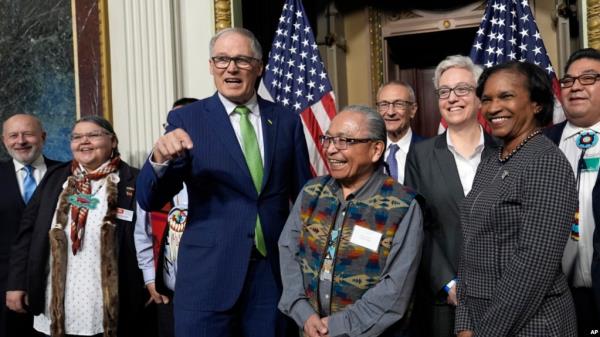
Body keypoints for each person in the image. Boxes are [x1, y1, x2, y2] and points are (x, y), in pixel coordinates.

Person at [136, 27, 312, 337]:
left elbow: (303, 198)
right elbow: (149, 199)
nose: (231, 68)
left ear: (259, 67)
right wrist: (159, 161)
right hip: (208, 276)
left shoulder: (286, 120)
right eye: (221, 59)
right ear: (211, 66)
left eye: (242, 60)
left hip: (271, 277)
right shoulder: (188, 119)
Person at [456, 61, 578, 337]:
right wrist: (464, 322)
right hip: (479, 318)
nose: (492, 107)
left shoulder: (547, 162)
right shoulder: (491, 159)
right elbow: (470, 244)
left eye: (505, 96)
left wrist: (486, 332)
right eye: (486, 99)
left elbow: (534, 264)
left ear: (536, 104)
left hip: (532, 323)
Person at [279, 105, 423, 337]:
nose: (331, 150)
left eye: (344, 141)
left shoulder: (403, 206)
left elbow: (395, 289)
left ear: (376, 149)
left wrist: (334, 327)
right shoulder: (311, 192)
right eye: (328, 139)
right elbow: (288, 252)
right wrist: (303, 312)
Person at [6, 115, 151, 337]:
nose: (84, 141)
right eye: (77, 137)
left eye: (93, 135)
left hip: (108, 300)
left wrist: (150, 280)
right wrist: (17, 283)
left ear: (113, 141)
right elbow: (27, 232)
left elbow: (149, 237)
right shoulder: (56, 177)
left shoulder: (134, 181)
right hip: (55, 298)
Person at [404, 55, 497, 337]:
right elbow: (418, 226)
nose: (452, 98)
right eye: (444, 91)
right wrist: (448, 283)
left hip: (502, 294)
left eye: (462, 89)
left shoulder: (505, 151)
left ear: (480, 95)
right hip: (445, 302)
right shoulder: (420, 155)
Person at [545, 48, 600, 334]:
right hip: (554, 298)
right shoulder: (538, 145)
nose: (576, 86)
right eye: (568, 81)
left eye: (588, 78)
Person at [135, 97, 198, 337]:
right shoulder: (154, 172)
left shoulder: (215, 169)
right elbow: (143, 233)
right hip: (168, 290)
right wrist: (151, 279)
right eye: (171, 126)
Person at [0, 114, 60, 337]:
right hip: (3, 285)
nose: (21, 141)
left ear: (43, 137)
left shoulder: (66, 174)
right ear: (4, 140)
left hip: (54, 285)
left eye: (28, 134)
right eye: (13, 135)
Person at [375, 80, 425, 184]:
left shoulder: (430, 152)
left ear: (413, 110)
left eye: (398, 104)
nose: (390, 112)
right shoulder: (369, 151)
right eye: (384, 104)